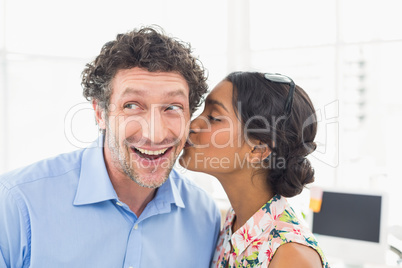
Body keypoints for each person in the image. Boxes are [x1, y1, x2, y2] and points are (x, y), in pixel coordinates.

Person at [0, 26, 221, 267]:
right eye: (132, 106)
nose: (155, 134)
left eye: (173, 108)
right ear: (100, 112)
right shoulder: (16, 204)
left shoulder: (205, 217)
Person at [180, 72, 330, 267]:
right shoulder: (232, 224)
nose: (192, 124)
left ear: (258, 148)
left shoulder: (291, 256)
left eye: (214, 117)